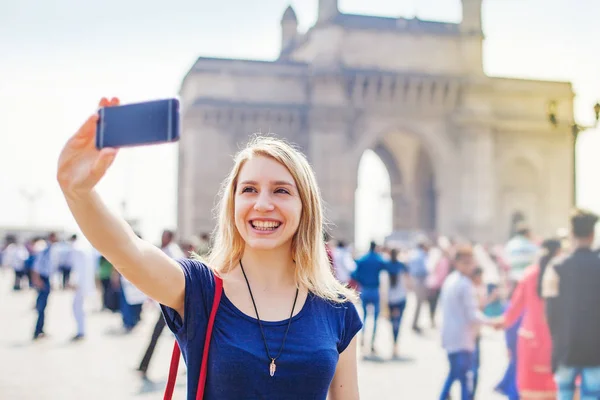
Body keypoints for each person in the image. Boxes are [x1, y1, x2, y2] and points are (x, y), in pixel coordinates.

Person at [56, 97, 362, 400]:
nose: (263, 204)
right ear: (232, 204)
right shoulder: (199, 288)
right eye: (249, 190)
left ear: (305, 206)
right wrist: (79, 192)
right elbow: (128, 251)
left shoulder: (337, 308)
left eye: (281, 190)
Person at [542, 209, 600, 400]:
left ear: (572, 234)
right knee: (592, 394)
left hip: (566, 347)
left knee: (565, 394)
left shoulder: (556, 267)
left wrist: (557, 345)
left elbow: (550, 313)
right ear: (592, 235)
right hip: (596, 350)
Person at [497, 239, 561, 400]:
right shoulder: (563, 275)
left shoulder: (529, 274)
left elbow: (515, 308)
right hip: (555, 342)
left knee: (529, 392)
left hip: (530, 341)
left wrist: (501, 323)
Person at [438, 245, 493, 400]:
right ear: (457, 263)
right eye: (466, 262)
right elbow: (472, 314)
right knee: (463, 380)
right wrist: (493, 322)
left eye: (471, 262)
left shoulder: (451, 280)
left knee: (455, 375)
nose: (469, 266)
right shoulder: (464, 284)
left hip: (452, 337)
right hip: (463, 339)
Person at [352, 241, 385, 353]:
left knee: (365, 316)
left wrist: (361, 280)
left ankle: (362, 339)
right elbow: (388, 266)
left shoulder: (363, 259)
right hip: (375, 290)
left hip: (364, 289)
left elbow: (354, 274)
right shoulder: (378, 259)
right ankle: (372, 343)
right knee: (375, 318)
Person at [385, 248, 408, 358]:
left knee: (393, 322)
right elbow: (408, 281)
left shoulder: (386, 265)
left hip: (390, 298)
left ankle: (393, 344)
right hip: (400, 297)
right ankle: (395, 345)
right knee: (398, 322)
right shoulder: (402, 266)